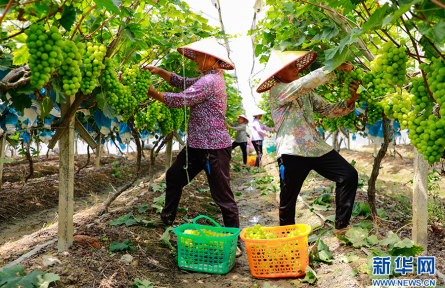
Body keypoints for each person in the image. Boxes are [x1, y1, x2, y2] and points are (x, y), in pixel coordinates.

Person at [144, 37, 242, 256]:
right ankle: (167, 219)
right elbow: (183, 82)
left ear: (211, 59)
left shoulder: (210, 81)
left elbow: (181, 99)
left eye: (198, 56)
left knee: (223, 197)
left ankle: (235, 243)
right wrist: (161, 72)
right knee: (174, 176)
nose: (195, 59)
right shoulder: (207, 77)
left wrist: (153, 94)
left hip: (213, 148)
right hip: (198, 145)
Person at [256, 50, 359, 235]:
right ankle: (287, 239)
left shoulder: (306, 94)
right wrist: (333, 68)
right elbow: (304, 83)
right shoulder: (278, 91)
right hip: (292, 152)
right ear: (278, 74)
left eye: (296, 65)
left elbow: (328, 110)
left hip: (315, 148)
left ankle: (342, 226)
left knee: (348, 175)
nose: (296, 69)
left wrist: (350, 101)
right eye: (290, 67)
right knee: (288, 200)